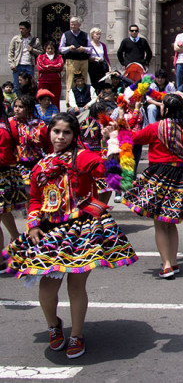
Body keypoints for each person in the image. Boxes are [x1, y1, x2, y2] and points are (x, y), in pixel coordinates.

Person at [2, 112, 138, 358]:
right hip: (50, 230)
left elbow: (114, 178)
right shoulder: (40, 166)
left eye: (66, 132)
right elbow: (34, 199)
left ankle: (76, 334)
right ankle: (54, 326)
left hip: (81, 229)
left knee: (76, 286)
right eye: (56, 131)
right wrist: (33, 224)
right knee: (47, 287)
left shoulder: (84, 157)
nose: (60, 137)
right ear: (49, 133)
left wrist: (114, 144)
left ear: (74, 135)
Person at [122, 93, 183, 278]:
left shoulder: (156, 127)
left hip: (160, 175)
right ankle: (174, 262)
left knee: (160, 224)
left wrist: (123, 123)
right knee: (172, 221)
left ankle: (167, 264)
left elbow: (134, 138)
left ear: (166, 109)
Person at [0, 92, 24, 251]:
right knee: (4, 212)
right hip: (7, 174)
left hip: (3, 173)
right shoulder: (8, 123)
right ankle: (16, 239)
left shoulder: (6, 126)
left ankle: (1, 259)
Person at [10, 94, 48, 186]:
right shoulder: (11, 123)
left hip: (36, 162)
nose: (17, 109)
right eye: (15, 106)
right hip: (17, 164)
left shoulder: (39, 125)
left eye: (21, 107)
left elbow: (47, 144)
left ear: (30, 109)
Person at [8, 20, 43, 95]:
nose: (21, 30)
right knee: (16, 85)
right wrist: (11, 64)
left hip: (29, 65)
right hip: (18, 65)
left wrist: (32, 50)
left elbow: (41, 52)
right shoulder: (16, 39)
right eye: (20, 28)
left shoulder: (34, 40)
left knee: (30, 85)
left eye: (23, 29)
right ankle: (16, 102)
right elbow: (10, 52)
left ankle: (29, 100)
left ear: (28, 29)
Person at [59, 17, 90, 95]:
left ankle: (83, 99)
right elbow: (61, 49)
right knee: (71, 81)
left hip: (83, 61)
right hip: (71, 61)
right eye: (71, 24)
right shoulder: (66, 34)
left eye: (74, 24)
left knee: (84, 80)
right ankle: (69, 103)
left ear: (79, 25)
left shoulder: (85, 35)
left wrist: (84, 49)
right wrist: (69, 48)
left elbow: (91, 48)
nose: (72, 26)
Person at [36, 40, 64, 107]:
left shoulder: (59, 57)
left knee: (55, 100)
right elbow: (40, 68)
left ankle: (56, 115)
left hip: (55, 82)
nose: (50, 50)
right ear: (45, 49)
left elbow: (60, 67)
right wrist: (54, 67)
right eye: (48, 48)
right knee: (42, 99)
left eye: (52, 48)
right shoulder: (40, 57)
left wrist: (47, 66)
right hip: (43, 82)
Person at [87, 27, 111, 93]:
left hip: (101, 66)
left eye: (99, 34)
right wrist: (95, 58)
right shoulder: (89, 45)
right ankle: (95, 96)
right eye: (97, 34)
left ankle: (100, 96)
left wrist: (109, 66)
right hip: (93, 65)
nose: (99, 36)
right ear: (92, 35)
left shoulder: (103, 45)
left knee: (102, 82)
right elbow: (87, 57)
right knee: (94, 82)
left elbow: (106, 56)